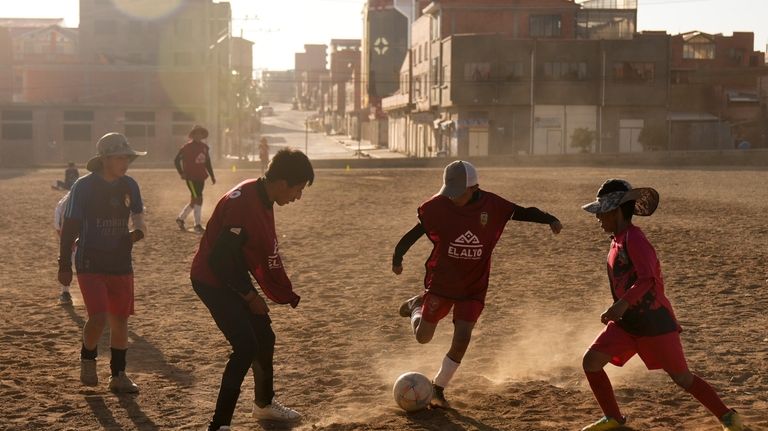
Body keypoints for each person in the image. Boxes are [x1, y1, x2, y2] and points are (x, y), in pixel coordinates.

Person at [393, 160, 562, 408]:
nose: (452, 199)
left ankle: (439, 387)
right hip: (442, 282)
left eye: (458, 194)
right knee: (423, 338)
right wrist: (398, 257)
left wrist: (550, 219)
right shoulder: (439, 207)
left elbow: (522, 212)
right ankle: (416, 305)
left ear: (474, 188)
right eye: (449, 193)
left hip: (473, 286)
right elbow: (413, 234)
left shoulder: (492, 205)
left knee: (462, 338)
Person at [579, 179, 743, 431]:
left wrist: (621, 305)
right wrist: (621, 311)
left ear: (616, 211)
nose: (598, 219)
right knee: (591, 362)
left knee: (682, 378)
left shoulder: (635, 239)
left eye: (602, 213)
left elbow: (648, 279)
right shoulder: (617, 239)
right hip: (627, 324)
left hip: (655, 322)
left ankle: (728, 417)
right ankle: (613, 418)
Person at [190, 148, 313, 430]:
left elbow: (237, 256)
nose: (298, 196)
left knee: (264, 337)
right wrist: (249, 295)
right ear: (283, 182)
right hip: (211, 280)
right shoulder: (244, 203)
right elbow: (219, 260)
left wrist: (250, 294)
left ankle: (264, 406)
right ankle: (219, 425)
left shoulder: (262, 195)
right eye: (298, 188)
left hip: (231, 274)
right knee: (245, 347)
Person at [58, 132, 147, 393]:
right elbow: (70, 226)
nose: (126, 162)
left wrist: (137, 233)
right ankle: (88, 357)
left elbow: (139, 217)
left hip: (121, 262)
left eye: (128, 158)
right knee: (98, 317)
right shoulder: (83, 187)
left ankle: (118, 375)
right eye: (121, 157)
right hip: (90, 260)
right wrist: (64, 264)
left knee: (120, 320)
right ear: (105, 159)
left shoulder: (130, 185)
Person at [175, 125, 216, 233]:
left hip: (201, 176)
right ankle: (197, 225)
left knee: (195, 200)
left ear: (202, 135)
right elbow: (176, 160)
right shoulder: (186, 148)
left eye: (200, 134)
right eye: (196, 134)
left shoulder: (204, 148)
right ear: (192, 135)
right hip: (190, 177)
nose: (198, 135)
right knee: (198, 198)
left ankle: (180, 218)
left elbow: (207, 162)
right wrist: (181, 173)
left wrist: (212, 175)